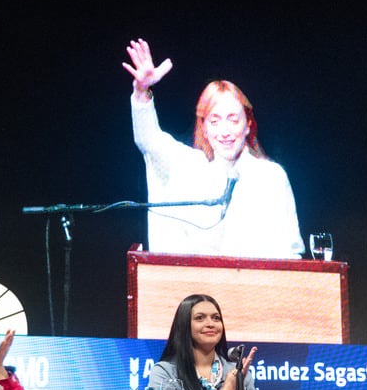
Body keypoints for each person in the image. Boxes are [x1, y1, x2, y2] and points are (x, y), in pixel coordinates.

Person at [122, 38, 304, 259]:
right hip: (197, 291)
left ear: (247, 124)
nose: (224, 131)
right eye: (215, 121)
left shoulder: (272, 177)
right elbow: (149, 140)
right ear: (204, 129)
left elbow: (291, 252)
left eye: (233, 119)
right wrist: (142, 91)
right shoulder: (188, 167)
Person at [148, 294, 264, 390]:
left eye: (216, 318)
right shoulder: (165, 372)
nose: (210, 324)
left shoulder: (236, 373)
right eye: (200, 318)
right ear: (184, 325)